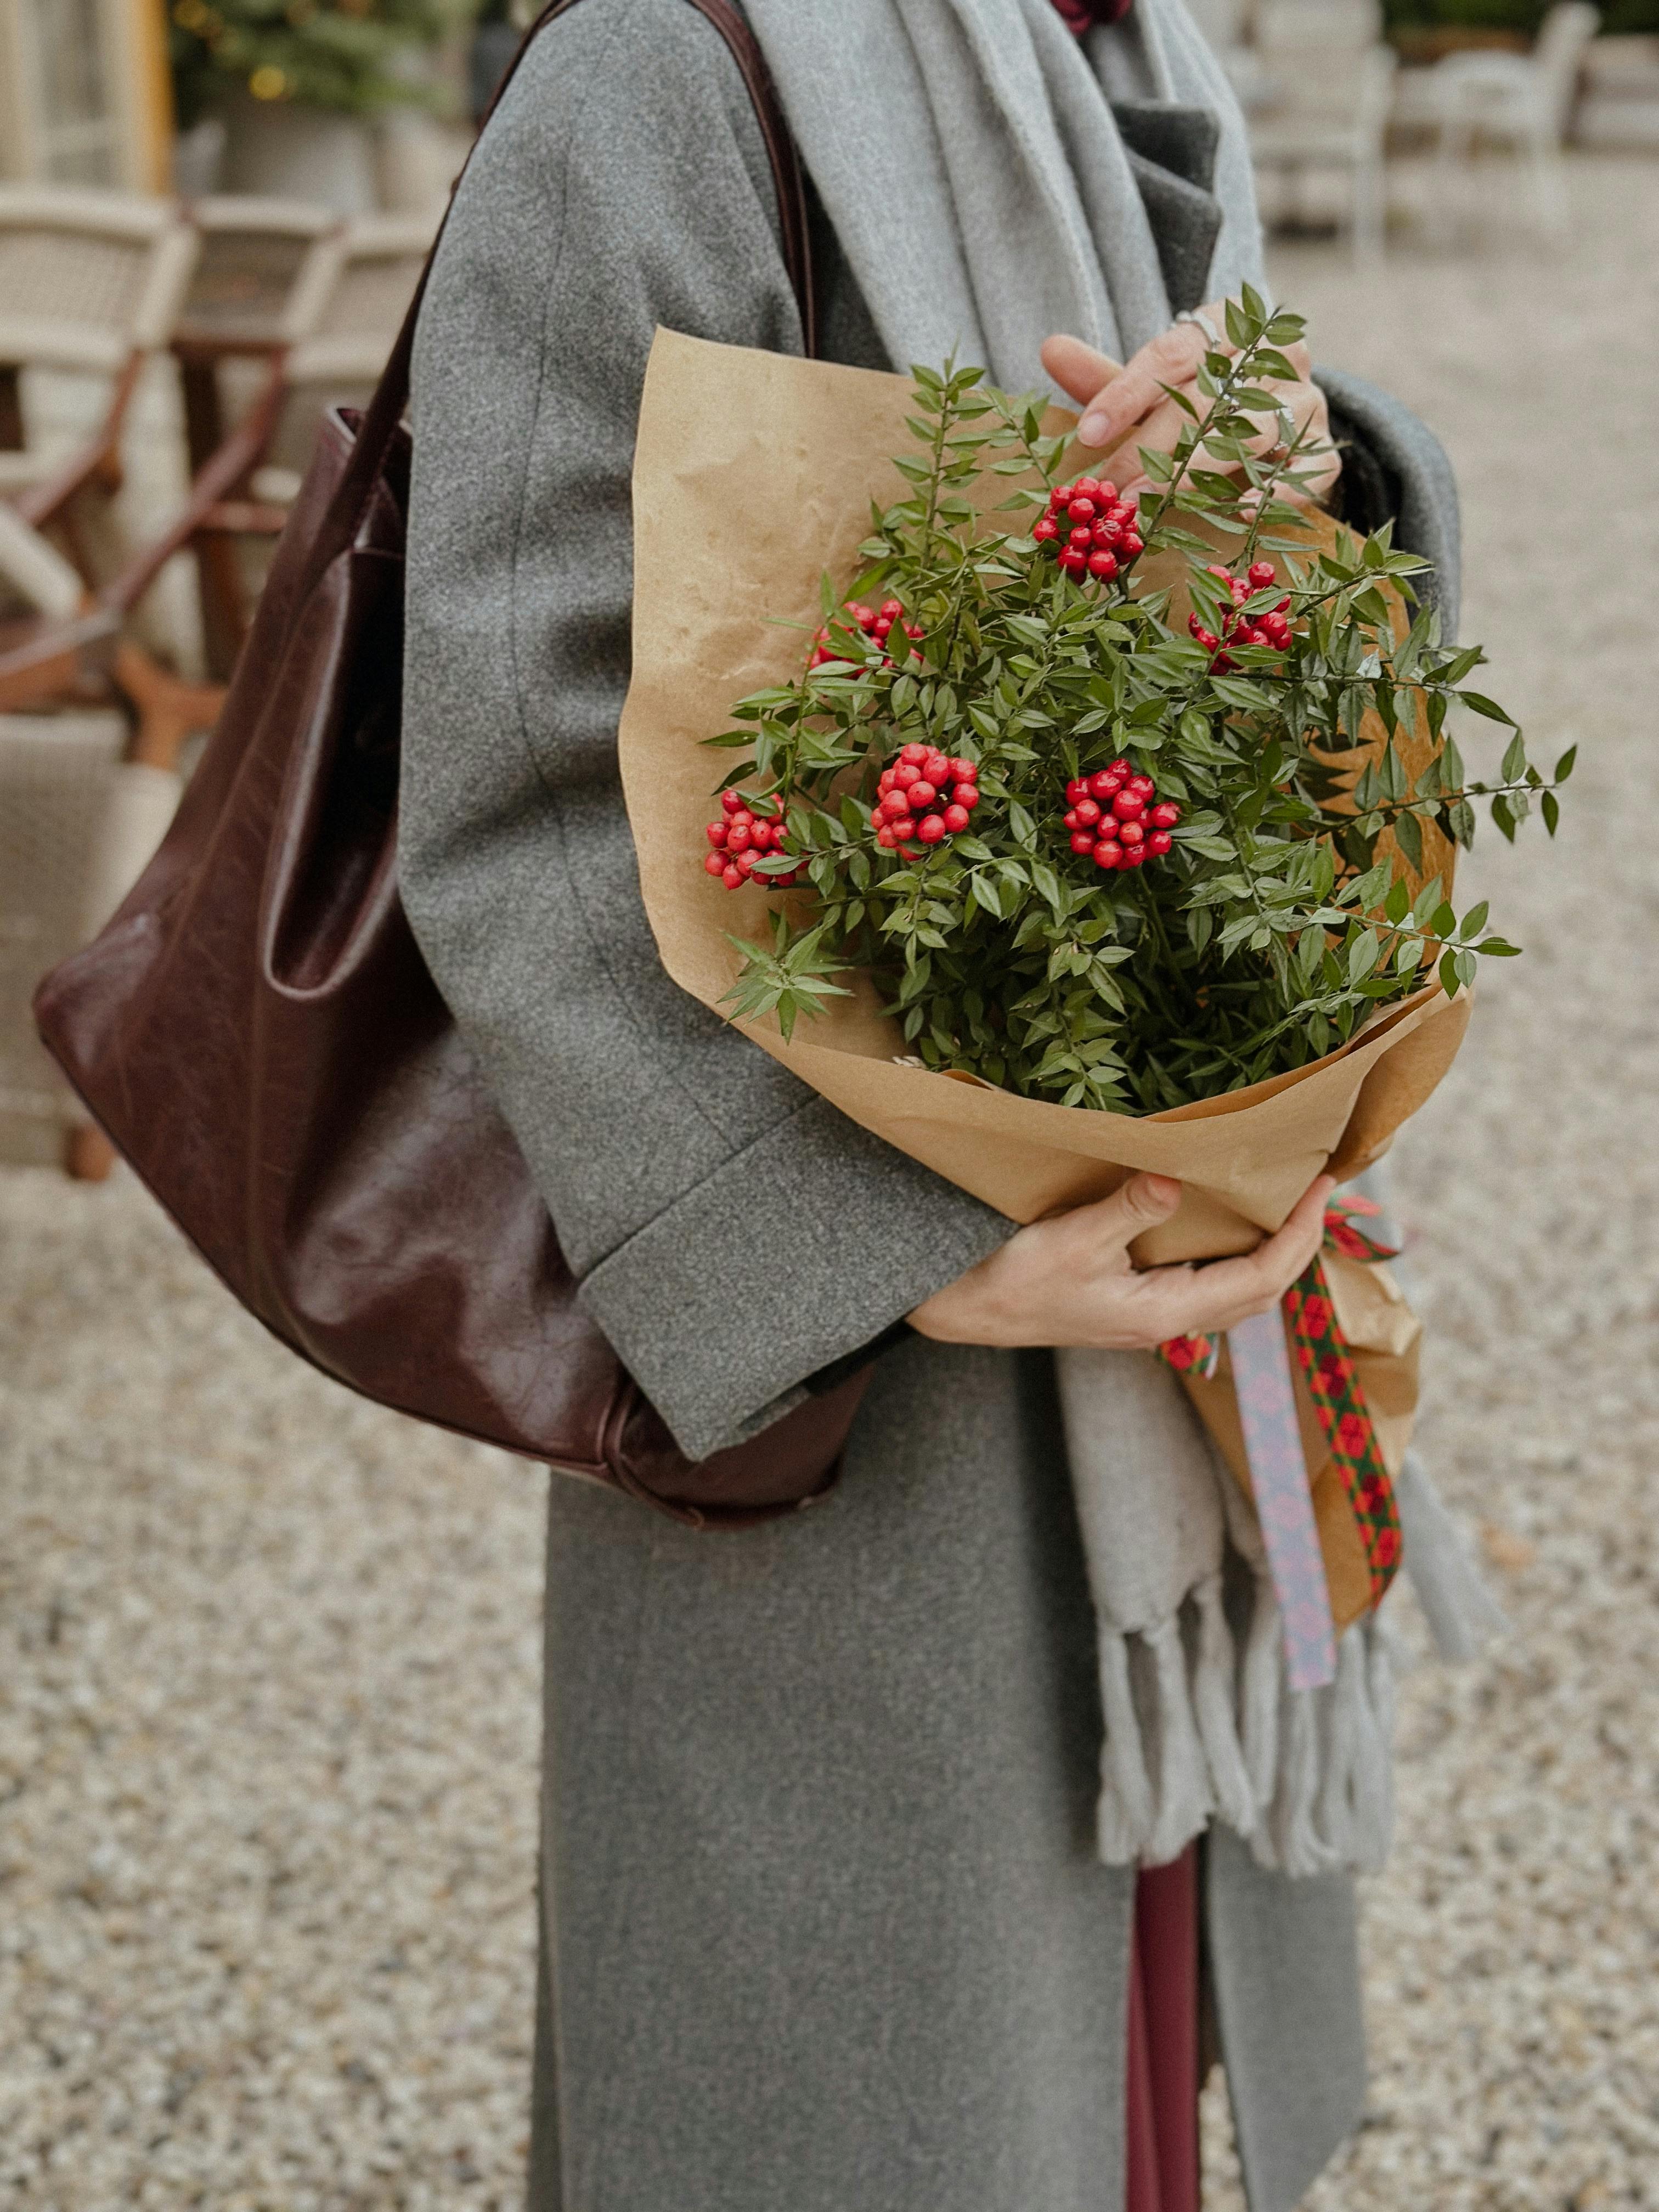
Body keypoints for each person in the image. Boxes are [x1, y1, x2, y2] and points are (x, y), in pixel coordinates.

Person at [399, 3, 1460, 2207]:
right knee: (860, 2099)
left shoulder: (1129, 41)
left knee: (1098, 2081)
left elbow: (1243, 576)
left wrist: (1326, 472)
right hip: (856, 1398)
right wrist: (906, 1259)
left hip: (1155, 1303)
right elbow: (510, 780)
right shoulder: (662, 69)